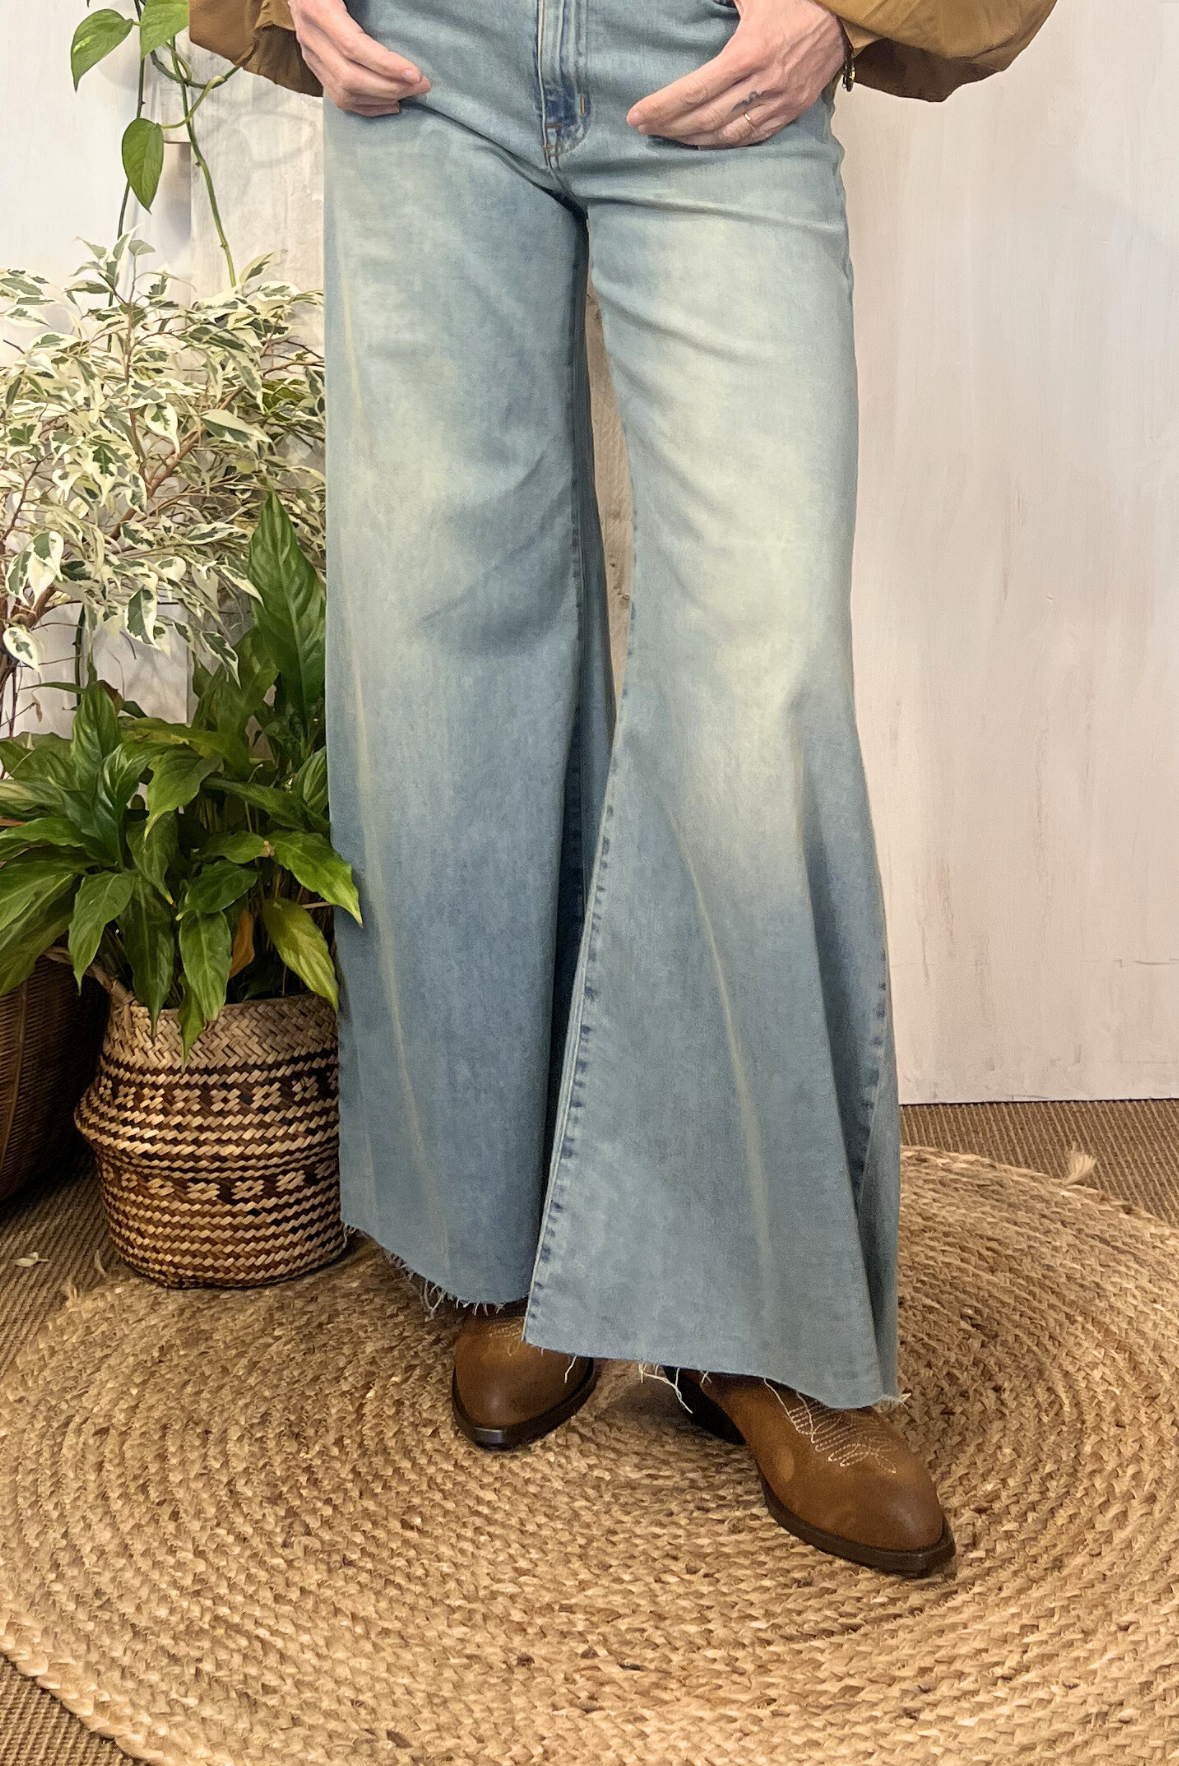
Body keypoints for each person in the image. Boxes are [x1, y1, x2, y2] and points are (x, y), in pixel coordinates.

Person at [192, 0, 1057, 1578]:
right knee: (445, 641)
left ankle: (765, 1327)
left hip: (706, 42)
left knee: (756, 662)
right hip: (425, 59)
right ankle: (524, 1245)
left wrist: (845, 14)